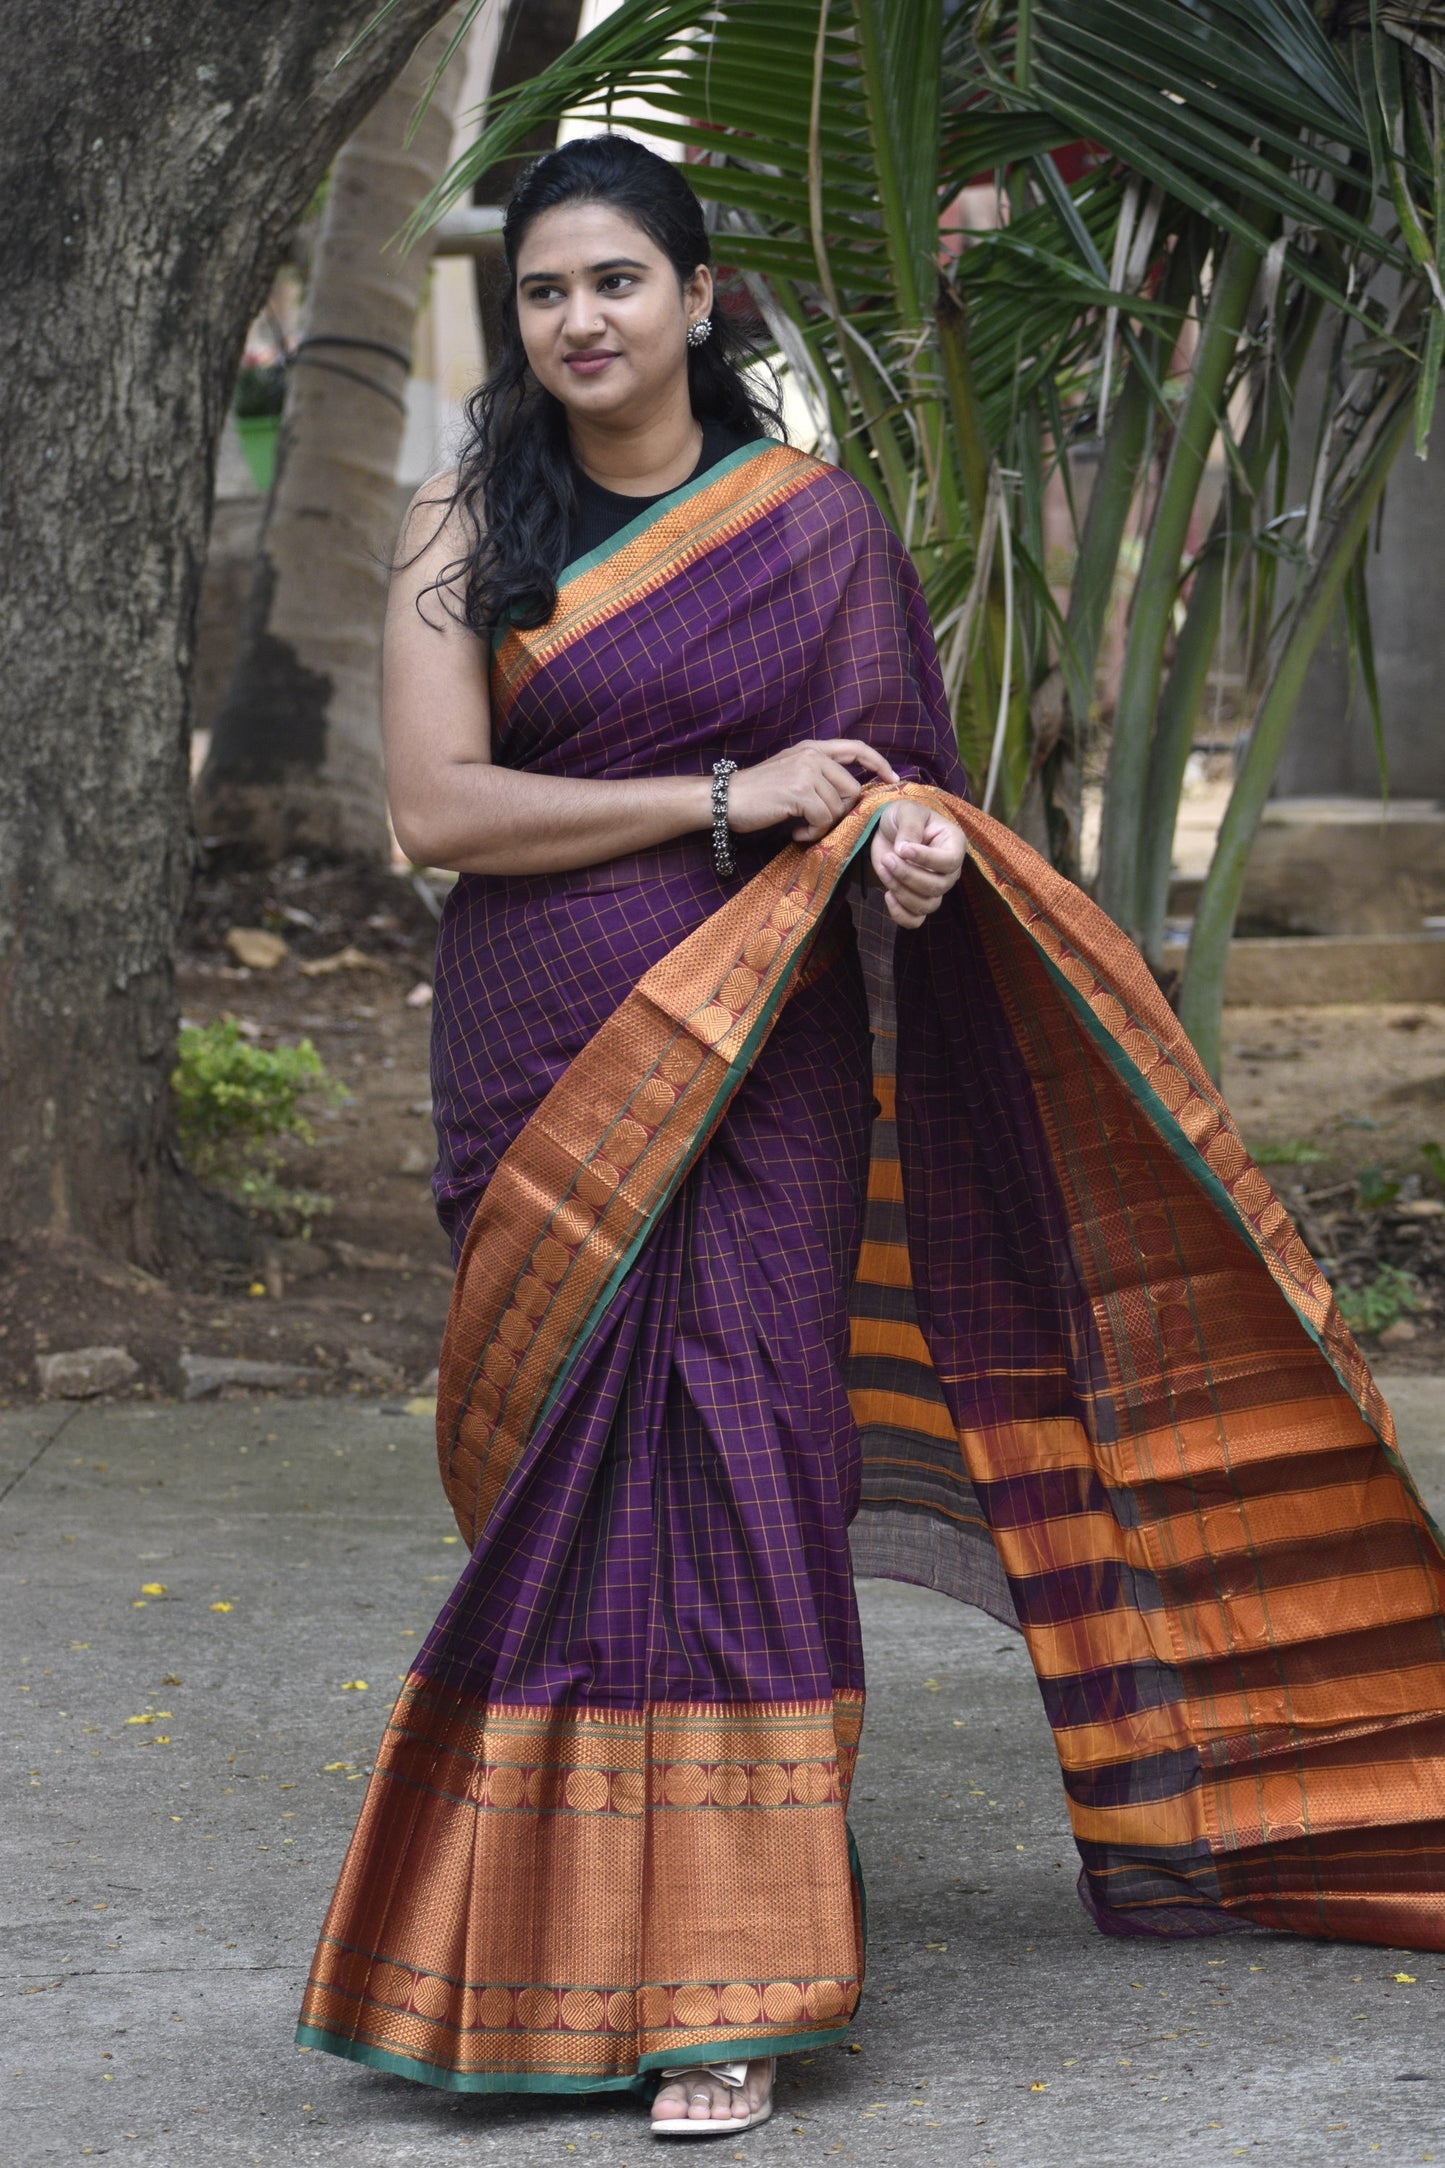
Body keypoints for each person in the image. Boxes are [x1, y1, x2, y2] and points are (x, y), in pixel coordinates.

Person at [299, 134, 1445, 2137]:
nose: (580, 320)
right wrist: (722, 799)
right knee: (577, 1475)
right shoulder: (456, 521)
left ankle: (735, 1984)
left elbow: (893, 787)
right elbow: (442, 812)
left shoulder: (812, 528)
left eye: (616, 284)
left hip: (769, 1060)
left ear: (694, 296)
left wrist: (906, 838)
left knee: (748, 1448)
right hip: (546, 1050)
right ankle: (542, 1962)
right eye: (547, 291)